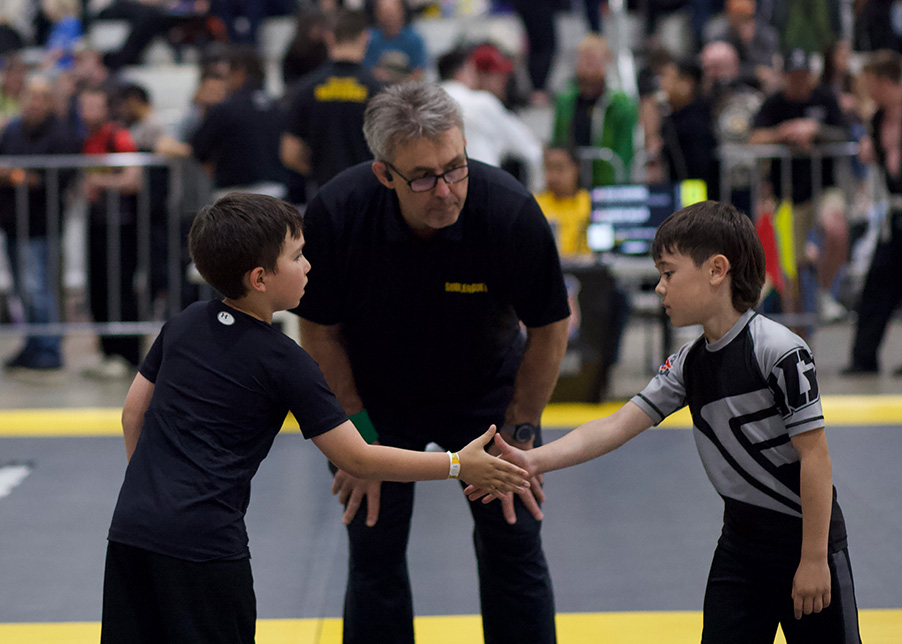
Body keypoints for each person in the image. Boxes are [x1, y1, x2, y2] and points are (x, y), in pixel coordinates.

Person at [100, 191, 529, 643]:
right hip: (205, 547)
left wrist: (153, 494)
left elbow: (133, 414)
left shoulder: (184, 323)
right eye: (298, 256)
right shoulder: (286, 361)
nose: (308, 265)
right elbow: (358, 459)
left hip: (131, 529)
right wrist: (457, 464)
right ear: (260, 277)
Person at [471, 200, 862, 644]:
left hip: (808, 544)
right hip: (740, 551)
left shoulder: (780, 351)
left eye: (668, 273)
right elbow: (614, 425)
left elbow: (815, 456)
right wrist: (530, 460)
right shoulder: (686, 364)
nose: (659, 288)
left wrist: (813, 558)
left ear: (717, 270)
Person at [293, 81, 570, 644]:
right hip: (375, 400)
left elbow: (550, 326)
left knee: (513, 541)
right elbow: (319, 330)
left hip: (487, 396)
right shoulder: (338, 214)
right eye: (422, 177)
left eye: (456, 167)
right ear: (384, 174)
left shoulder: (508, 210)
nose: (445, 190)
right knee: (373, 545)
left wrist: (520, 430)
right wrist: (357, 441)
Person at [749, 48, 851, 321]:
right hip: (787, 195)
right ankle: (798, 342)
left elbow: (844, 134)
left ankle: (825, 291)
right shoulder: (774, 104)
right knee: (789, 277)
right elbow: (753, 137)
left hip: (823, 188)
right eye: (793, 76)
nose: (798, 82)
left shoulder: (825, 99)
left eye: (803, 76)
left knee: (836, 227)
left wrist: (815, 131)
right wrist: (783, 134)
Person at [0, 74, 79, 377]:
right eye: (29, 97)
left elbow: (59, 178)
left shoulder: (60, 135)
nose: (33, 103)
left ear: (50, 102)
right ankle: (33, 344)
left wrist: (18, 176)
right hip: (13, 224)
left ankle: (48, 348)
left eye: (40, 97)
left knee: (38, 288)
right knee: (23, 289)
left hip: (41, 224)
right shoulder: (12, 131)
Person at [156, 45, 286, 199]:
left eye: (227, 75)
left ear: (239, 73)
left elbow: (199, 149)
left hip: (238, 195)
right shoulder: (277, 107)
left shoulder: (226, 109)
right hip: (277, 192)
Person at [843, 50, 902, 376]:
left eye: (869, 83)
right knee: (878, 285)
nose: (865, 90)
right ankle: (863, 358)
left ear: (883, 81)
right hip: (894, 215)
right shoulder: (879, 118)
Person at [79, 85, 144, 380]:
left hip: (120, 223)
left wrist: (97, 182)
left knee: (119, 286)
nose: (87, 112)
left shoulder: (118, 135)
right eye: (84, 106)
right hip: (96, 222)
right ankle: (107, 352)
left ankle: (126, 353)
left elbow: (133, 178)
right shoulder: (86, 138)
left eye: (94, 105)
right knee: (99, 287)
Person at [281, 8, 382, 196]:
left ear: (329, 37)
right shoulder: (378, 90)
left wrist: (319, 172)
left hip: (324, 192)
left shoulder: (306, 89)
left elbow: (289, 153)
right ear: (365, 37)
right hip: (369, 192)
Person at [438, 45, 542, 191]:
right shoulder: (483, 102)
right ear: (471, 72)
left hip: (438, 191)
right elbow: (532, 151)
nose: (504, 81)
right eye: (497, 75)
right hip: (481, 190)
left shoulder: (424, 101)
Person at [550, 33, 638, 187]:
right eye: (584, 58)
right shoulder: (565, 100)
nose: (588, 63)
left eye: (594, 58)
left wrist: (620, 184)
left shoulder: (621, 104)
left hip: (607, 181)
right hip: (571, 183)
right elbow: (558, 142)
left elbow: (625, 151)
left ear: (607, 62)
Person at [362, 0, 426, 85]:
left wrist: (395, 80)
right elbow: (363, 72)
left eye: (392, 12)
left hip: (406, 91)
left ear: (402, 11)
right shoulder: (368, 38)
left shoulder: (415, 40)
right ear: (376, 13)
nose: (389, 17)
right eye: (385, 13)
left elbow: (419, 74)